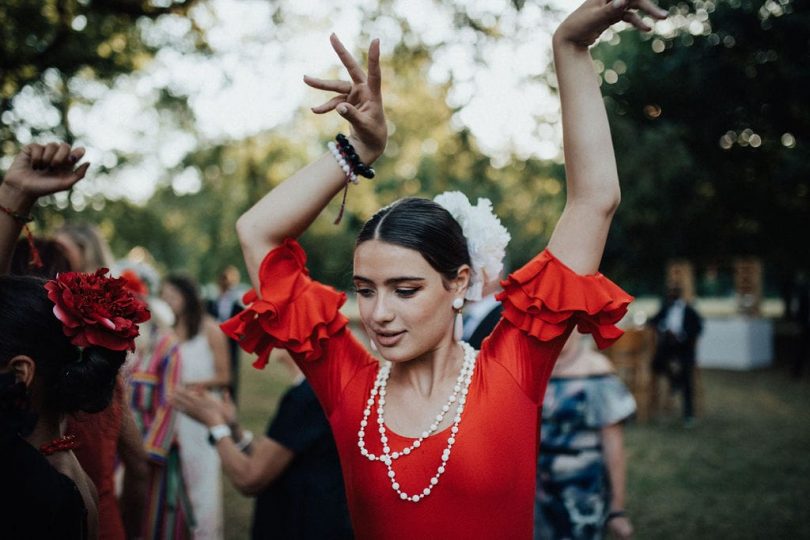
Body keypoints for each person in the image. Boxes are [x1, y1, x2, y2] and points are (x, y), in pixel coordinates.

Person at [222, 0, 662, 536]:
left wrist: (568, 48)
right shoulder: (347, 384)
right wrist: (358, 149)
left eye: (405, 289)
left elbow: (593, 200)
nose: (379, 313)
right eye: (365, 289)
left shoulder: (513, 367)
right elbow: (257, 231)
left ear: (458, 283)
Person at [0, 142, 150, 539]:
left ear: (20, 373)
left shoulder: (24, 482)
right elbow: (140, 467)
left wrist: (13, 198)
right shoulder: (65, 474)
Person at [171, 350, 353, 539]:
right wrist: (232, 428)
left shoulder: (306, 397)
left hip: (303, 525)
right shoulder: (317, 388)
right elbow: (272, 460)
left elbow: (249, 479)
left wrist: (214, 424)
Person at [57, 221, 150, 540]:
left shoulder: (111, 320)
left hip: (106, 407)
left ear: (85, 255)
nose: (46, 260)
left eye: (60, 253)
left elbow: (139, 468)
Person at [535, 332, 636, 540]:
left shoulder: (596, 371)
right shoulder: (534, 365)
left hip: (583, 493)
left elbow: (613, 445)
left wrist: (617, 509)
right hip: (538, 493)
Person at [162, 274, 231, 540]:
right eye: (165, 296)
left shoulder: (210, 328)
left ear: (188, 297)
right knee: (174, 482)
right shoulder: (166, 332)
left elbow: (225, 375)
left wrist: (191, 384)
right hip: (171, 414)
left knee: (202, 481)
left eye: (173, 296)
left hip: (200, 415)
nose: (168, 302)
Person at [649, 284, 703, 425]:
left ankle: (688, 414)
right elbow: (653, 321)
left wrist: (682, 335)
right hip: (668, 345)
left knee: (686, 373)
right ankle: (675, 381)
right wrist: (664, 328)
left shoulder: (689, 311)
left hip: (684, 346)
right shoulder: (666, 308)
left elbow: (698, 327)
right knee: (656, 363)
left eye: (674, 292)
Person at [206, 265, 244, 402]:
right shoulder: (210, 303)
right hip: (213, 345)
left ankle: (230, 402)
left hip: (231, 345)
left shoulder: (237, 306)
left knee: (231, 373)